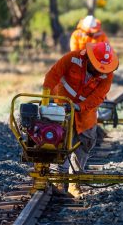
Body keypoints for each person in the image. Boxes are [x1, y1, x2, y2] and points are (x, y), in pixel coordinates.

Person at [43, 42, 118, 197]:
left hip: (86, 112)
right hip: (62, 106)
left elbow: (98, 96)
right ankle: (58, 181)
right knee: (61, 142)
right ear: (89, 59)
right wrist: (46, 100)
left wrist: (80, 107)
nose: (99, 71)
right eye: (96, 66)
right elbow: (52, 75)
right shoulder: (72, 58)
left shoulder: (107, 73)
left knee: (84, 144)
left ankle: (74, 184)